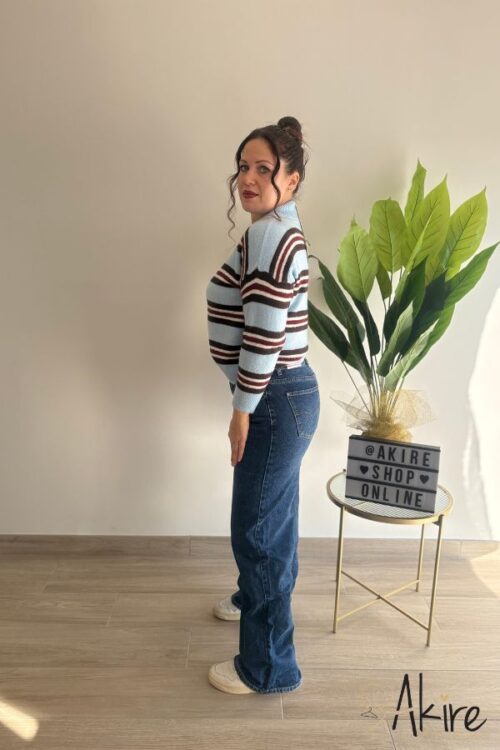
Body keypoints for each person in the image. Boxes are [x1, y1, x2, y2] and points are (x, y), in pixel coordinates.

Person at [205, 116, 320, 694]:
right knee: (273, 522)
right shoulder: (275, 226)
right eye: (243, 167)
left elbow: (266, 334)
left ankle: (269, 667)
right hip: (286, 396)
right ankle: (253, 599)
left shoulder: (272, 235)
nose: (247, 179)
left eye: (263, 169)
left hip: (273, 398)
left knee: (256, 531)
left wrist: (242, 408)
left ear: (291, 180)